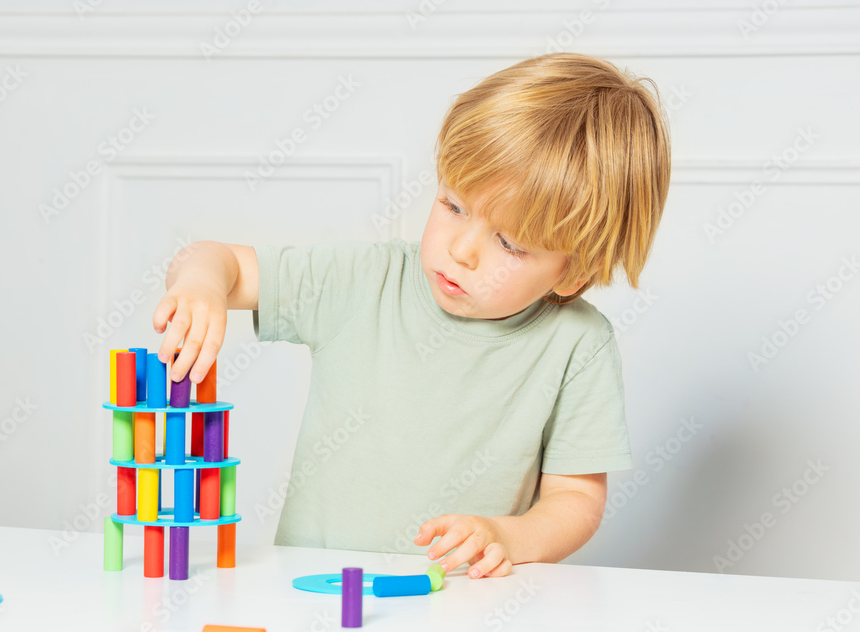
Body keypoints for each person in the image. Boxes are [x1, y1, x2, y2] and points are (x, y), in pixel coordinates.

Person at [152, 52, 671, 579]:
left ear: (571, 274)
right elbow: (216, 260)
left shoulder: (579, 345)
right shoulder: (364, 281)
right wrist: (200, 285)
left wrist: (506, 537)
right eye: (453, 206)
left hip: (462, 608)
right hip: (312, 594)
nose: (462, 250)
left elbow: (576, 502)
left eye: (510, 243)